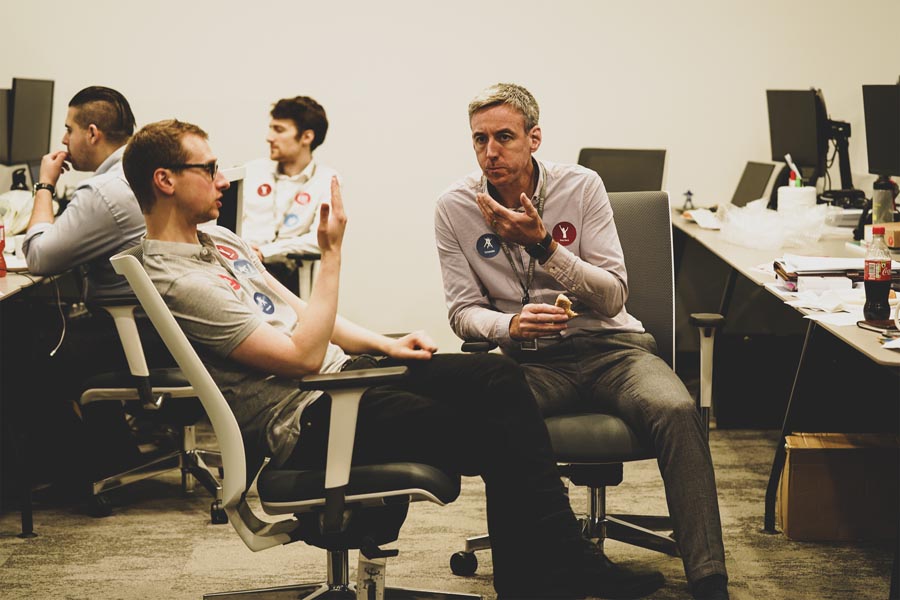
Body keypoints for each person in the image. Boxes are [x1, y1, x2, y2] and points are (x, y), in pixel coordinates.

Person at [122, 118, 666, 600]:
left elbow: (304, 316)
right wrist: (331, 256)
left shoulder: (220, 241)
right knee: (498, 429)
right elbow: (301, 356)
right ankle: (551, 572)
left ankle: (546, 570)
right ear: (165, 180)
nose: (223, 179)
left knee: (496, 374)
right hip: (307, 417)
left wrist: (388, 345)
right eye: (209, 168)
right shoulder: (180, 281)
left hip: (342, 382)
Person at [434, 83, 729, 600]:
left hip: (614, 350)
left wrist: (544, 246)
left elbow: (613, 297)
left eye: (504, 137)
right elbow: (462, 313)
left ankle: (709, 577)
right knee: (495, 420)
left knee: (678, 411)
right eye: (480, 139)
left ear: (534, 138)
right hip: (533, 362)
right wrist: (509, 327)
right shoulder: (454, 207)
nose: (491, 151)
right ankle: (553, 562)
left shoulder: (581, 187)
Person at [18, 86, 164, 486]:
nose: (64, 140)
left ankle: (64, 468)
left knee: (23, 344)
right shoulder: (144, 170)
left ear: (93, 133)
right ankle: (112, 453)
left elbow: (39, 257)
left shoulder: (104, 190)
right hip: (162, 327)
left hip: (132, 332)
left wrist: (44, 186)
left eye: (69, 129)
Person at [240, 96, 338, 290]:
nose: (269, 137)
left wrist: (266, 252)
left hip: (284, 274)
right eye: (270, 128)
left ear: (306, 137)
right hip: (237, 266)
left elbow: (320, 240)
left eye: (279, 130)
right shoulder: (251, 171)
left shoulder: (327, 180)